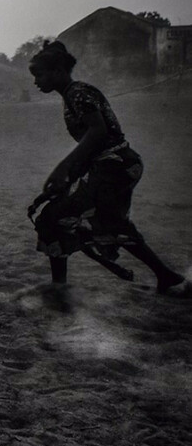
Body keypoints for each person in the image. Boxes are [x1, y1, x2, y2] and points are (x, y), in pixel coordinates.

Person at [27, 40, 189, 297]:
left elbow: (98, 133)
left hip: (115, 166)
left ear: (58, 70)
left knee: (53, 218)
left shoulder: (78, 93)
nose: (36, 82)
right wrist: (68, 178)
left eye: (39, 74)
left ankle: (59, 288)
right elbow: (92, 144)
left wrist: (63, 168)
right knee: (111, 223)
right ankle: (166, 276)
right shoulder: (73, 95)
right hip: (118, 166)